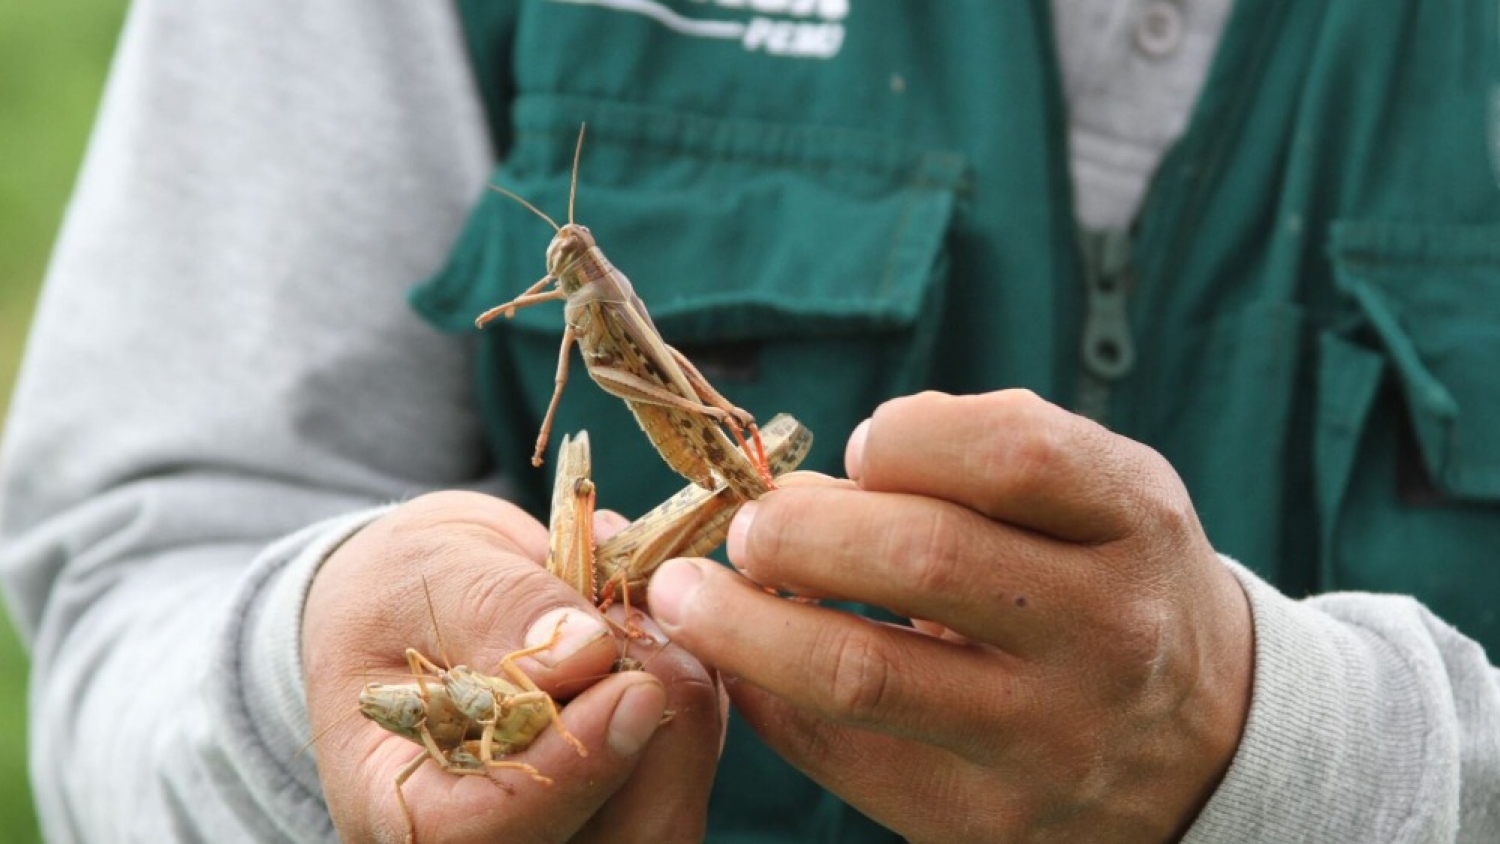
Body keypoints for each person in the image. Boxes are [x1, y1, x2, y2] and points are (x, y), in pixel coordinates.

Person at [2, 1, 1498, 841]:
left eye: (570, 260)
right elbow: (143, 565)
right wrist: (297, 683)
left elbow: (625, 367)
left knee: (658, 410)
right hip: (635, 534)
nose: (565, 272)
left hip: (706, 432)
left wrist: (1297, 754)